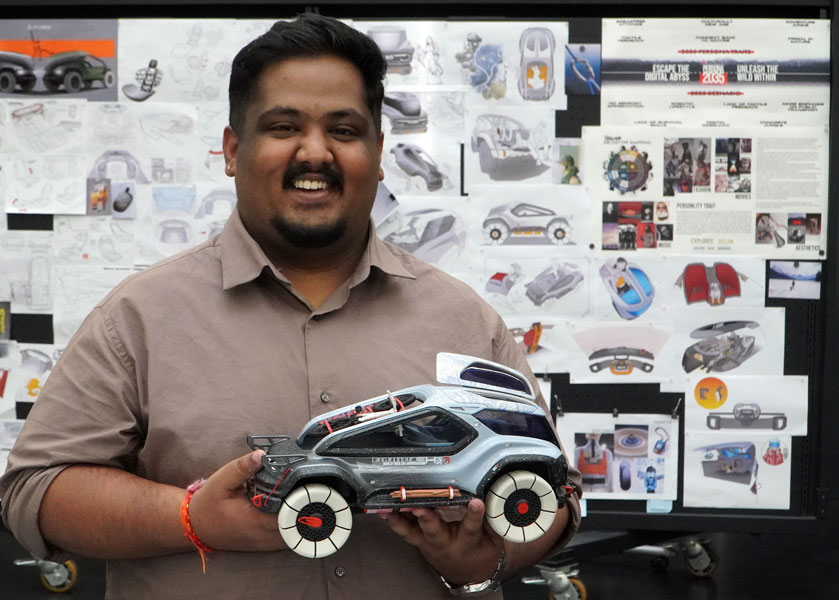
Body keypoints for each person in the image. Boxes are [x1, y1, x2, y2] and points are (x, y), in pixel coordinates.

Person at [0, 14, 581, 600]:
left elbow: (557, 493)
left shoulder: (464, 319)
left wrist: (486, 557)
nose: (315, 153)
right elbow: (34, 491)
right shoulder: (138, 318)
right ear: (233, 150)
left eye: (344, 130)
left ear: (379, 153)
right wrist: (189, 519)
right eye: (283, 127)